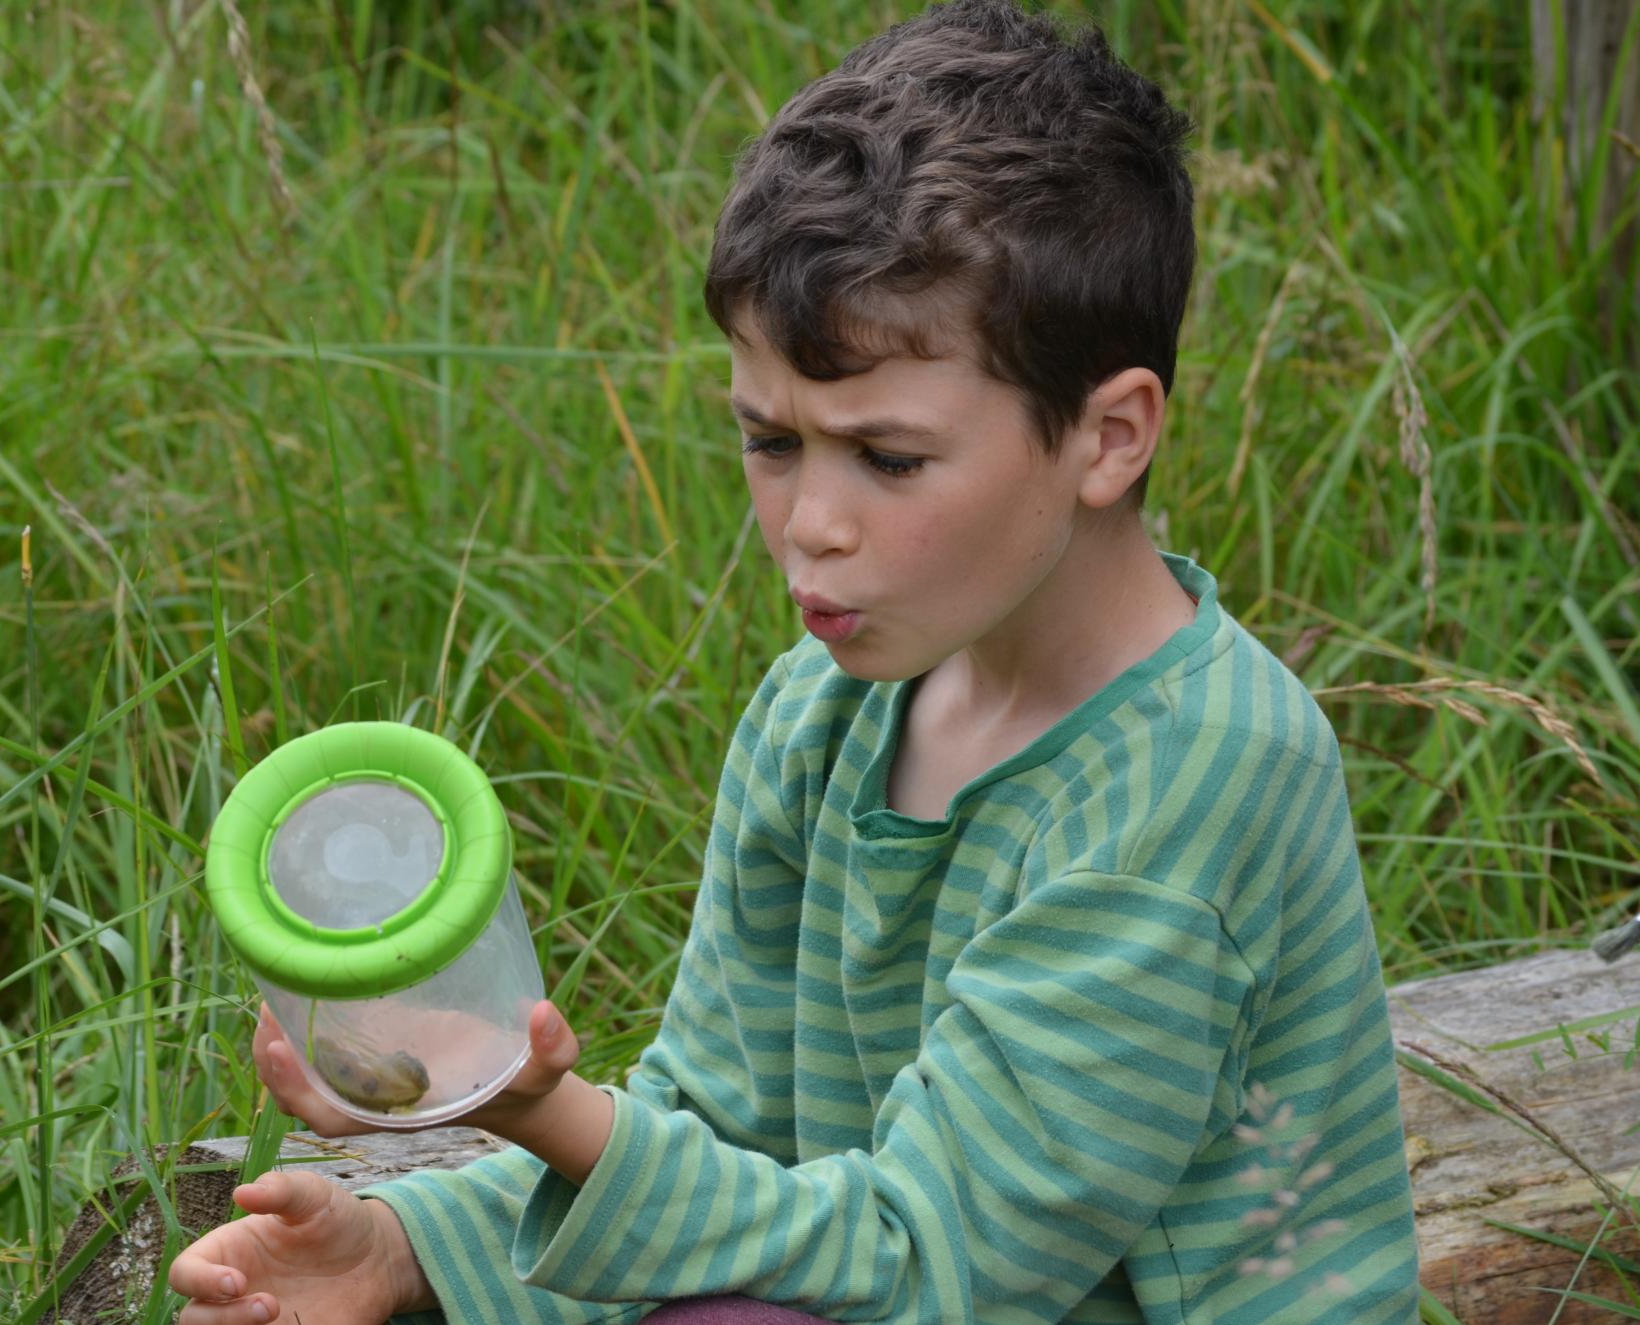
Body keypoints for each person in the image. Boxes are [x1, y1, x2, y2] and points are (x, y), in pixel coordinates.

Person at [168, 1, 1424, 1320]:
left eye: (887, 457)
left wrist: (546, 1112)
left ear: (1110, 437)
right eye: (772, 440)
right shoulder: (819, 713)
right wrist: (397, 1247)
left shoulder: (1195, 778)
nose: (810, 522)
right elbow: (719, 1131)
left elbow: (942, 1265)